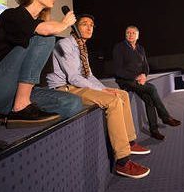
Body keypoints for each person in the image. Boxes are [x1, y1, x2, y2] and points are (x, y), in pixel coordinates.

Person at [46, 15, 150, 179]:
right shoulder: (65, 44)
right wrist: (104, 92)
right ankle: (122, 162)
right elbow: (73, 78)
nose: (89, 28)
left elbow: (89, 76)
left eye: (92, 25)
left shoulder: (82, 47)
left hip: (77, 86)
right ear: (74, 27)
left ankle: (129, 142)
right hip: (64, 90)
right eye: (84, 24)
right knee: (113, 100)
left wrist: (103, 88)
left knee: (120, 93)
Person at [113, 26, 181, 140]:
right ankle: (165, 117)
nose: (130, 35)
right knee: (152, 88)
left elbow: (145, 67)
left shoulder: (140, 49)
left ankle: (154, 131)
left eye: (133, 33)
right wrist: (135, 77)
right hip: (125, 80)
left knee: (149, 100)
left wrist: (144, 75)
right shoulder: (119, 47)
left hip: (139, 80)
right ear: (125, 35)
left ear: (137, 36)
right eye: (128, 33)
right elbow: (118, 70)